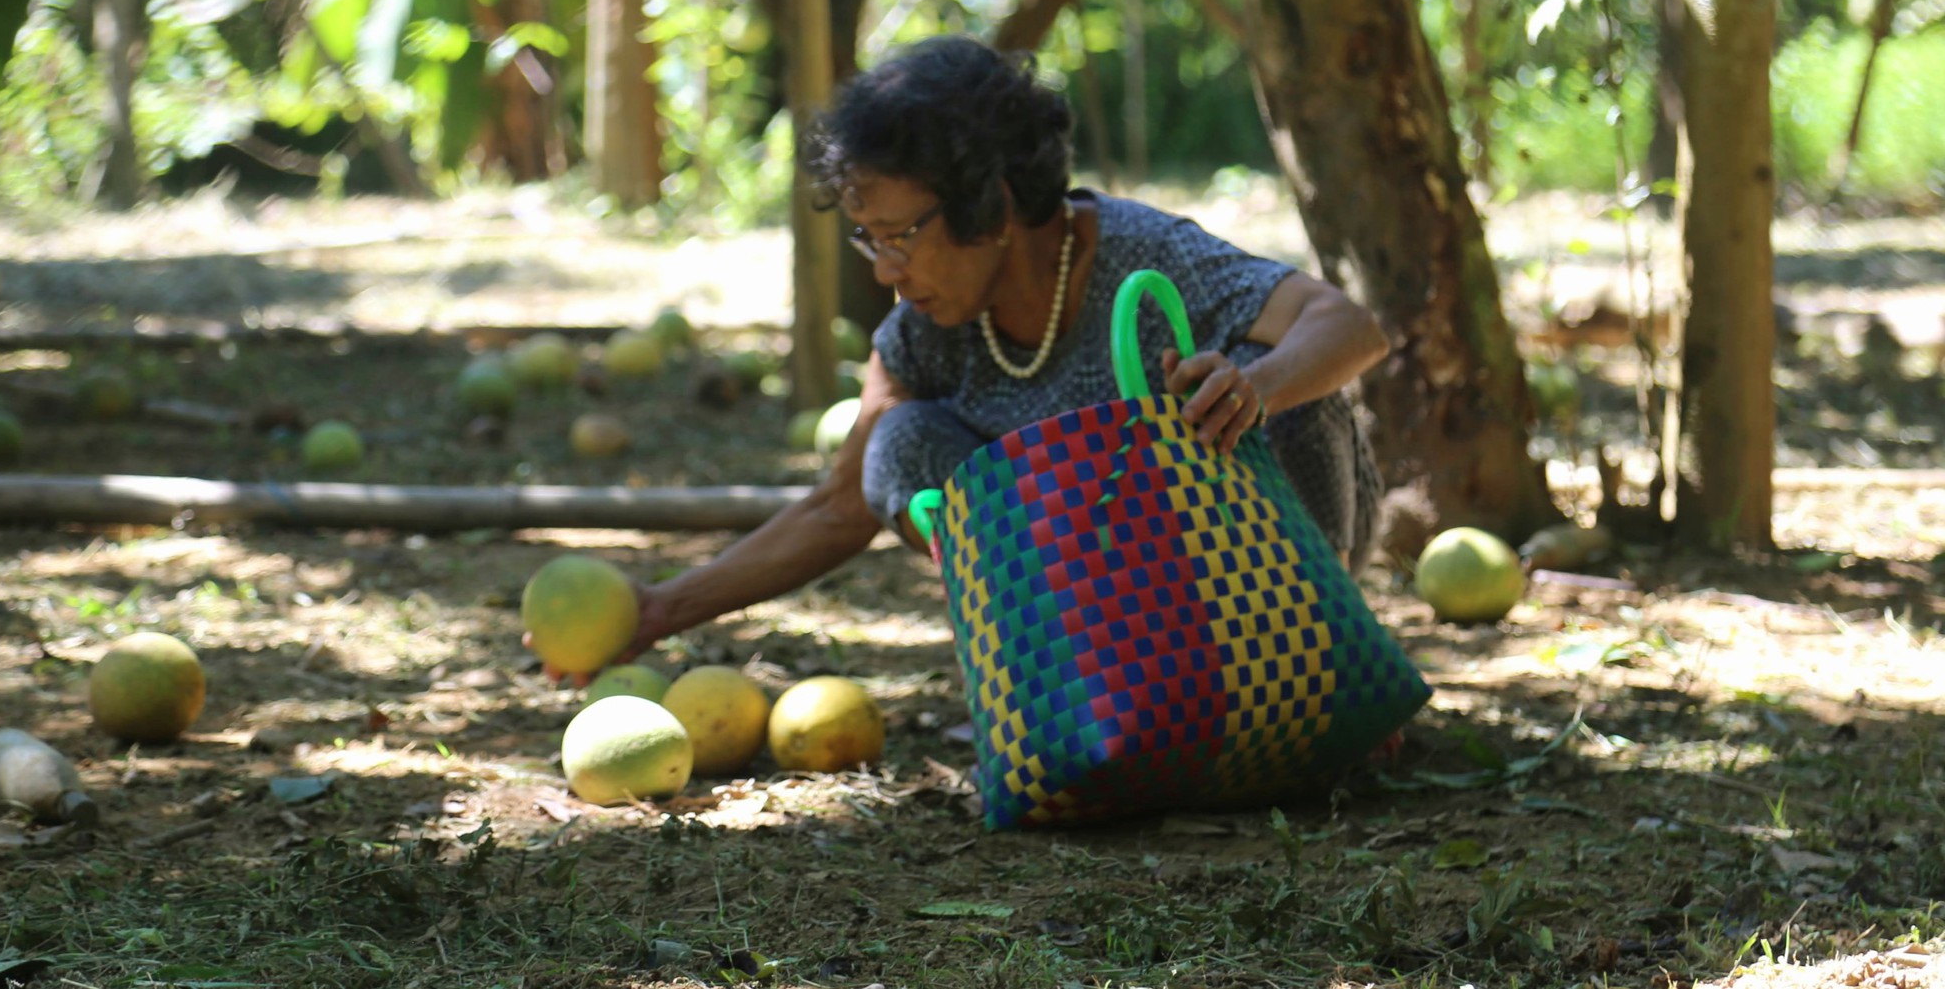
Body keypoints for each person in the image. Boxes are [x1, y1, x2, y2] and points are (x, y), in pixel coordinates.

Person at [562, 36, 1389, 675]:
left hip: (1243, 578)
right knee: (901, 442)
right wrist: (658, 611)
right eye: (867, 239)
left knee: (1296, 380)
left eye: (900, 236)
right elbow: (840, 506)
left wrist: (1253, 386)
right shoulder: (923, 327)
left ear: (990, 207)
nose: (885, 269)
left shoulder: (1143, 256)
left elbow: (1346, 323)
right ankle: (1073, 675)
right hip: (1101, 608)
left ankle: (1327, 668)